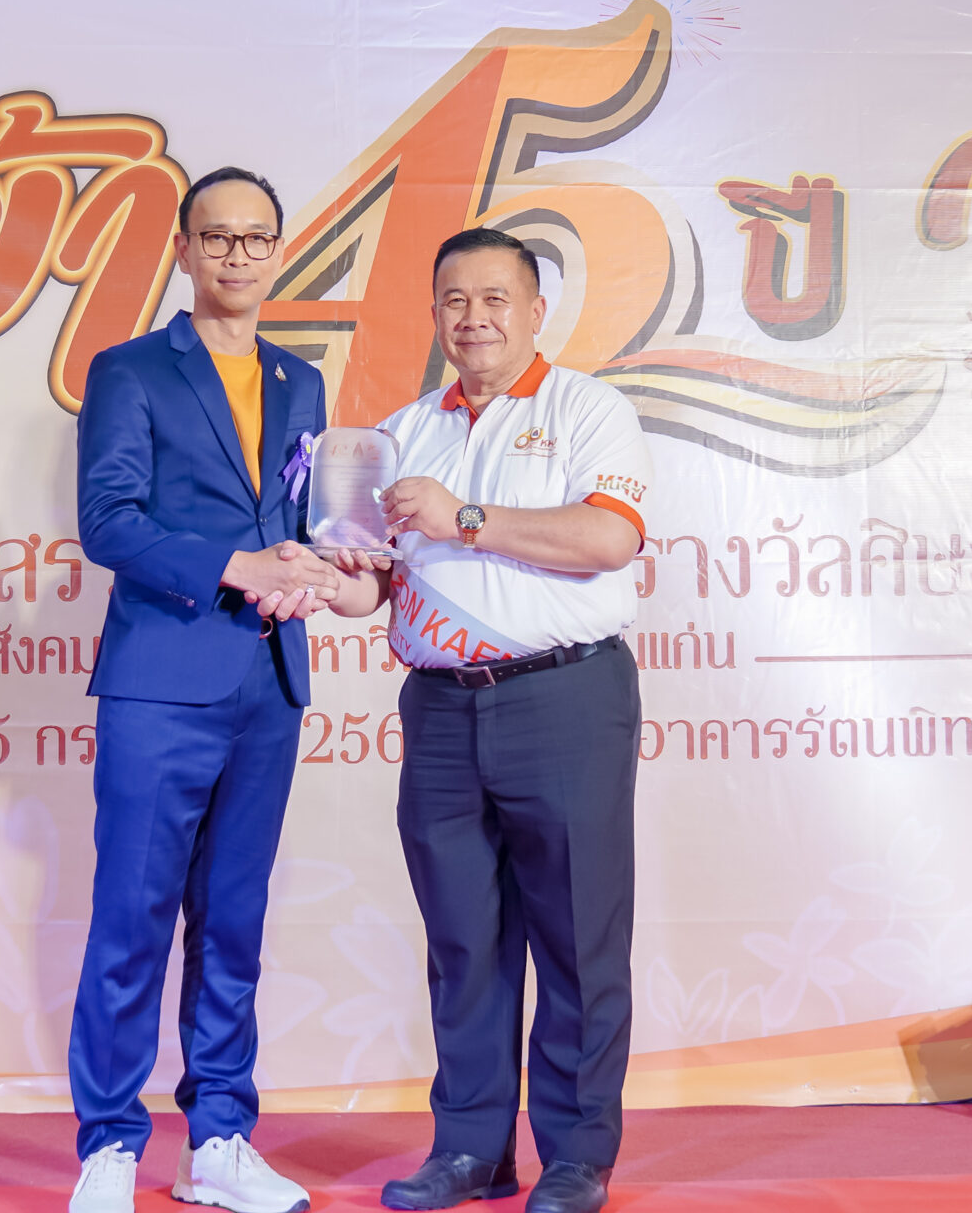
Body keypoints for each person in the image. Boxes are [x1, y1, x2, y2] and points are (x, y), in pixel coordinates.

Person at [314, 227, 653, 1213]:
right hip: (441, 711)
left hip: (565, 697)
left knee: (579, 937)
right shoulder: (401, 432)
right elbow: (371, 586)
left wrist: (463, 516)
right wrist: (326, 574)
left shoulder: (587, 408)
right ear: (434, 316)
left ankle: (576, 1156)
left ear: (536, 310)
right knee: (463, 941)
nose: (474, 318)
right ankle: (470, 1150)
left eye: (495, 298)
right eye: (454, 301)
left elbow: (607, 537)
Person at [65, 167, 343, 1213]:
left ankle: (220, 1137)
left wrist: (315, 568)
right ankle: (108, 1144)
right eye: (216, 237)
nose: (236, 254)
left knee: (234, 922)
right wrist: (237, 566)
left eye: (255, 237)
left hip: (268, 678)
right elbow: (108, 521)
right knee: (131, 918)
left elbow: (302, 523)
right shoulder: (130, 370)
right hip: (161, 681)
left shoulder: (300, 382)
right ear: (182, 250)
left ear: (279, 251)